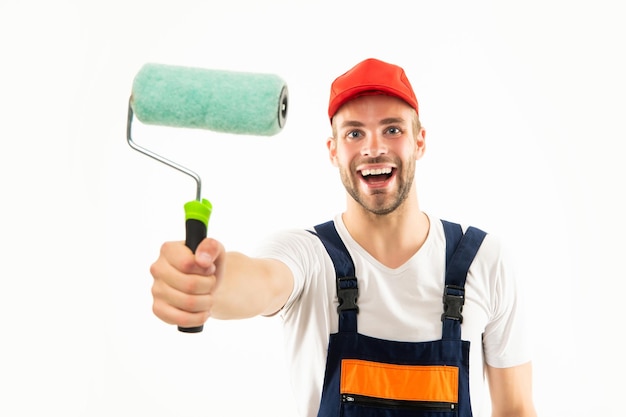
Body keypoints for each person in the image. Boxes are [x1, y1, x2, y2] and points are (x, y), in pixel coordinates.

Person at [150, 58, 538, 417]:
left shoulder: (484, 261)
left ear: (419, 142)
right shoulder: (308, 256)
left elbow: (516, 409)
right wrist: (209, 283)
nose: (373, 147)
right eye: (355, 132)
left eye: (392, 129)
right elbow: (258, 281)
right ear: (333, 151)